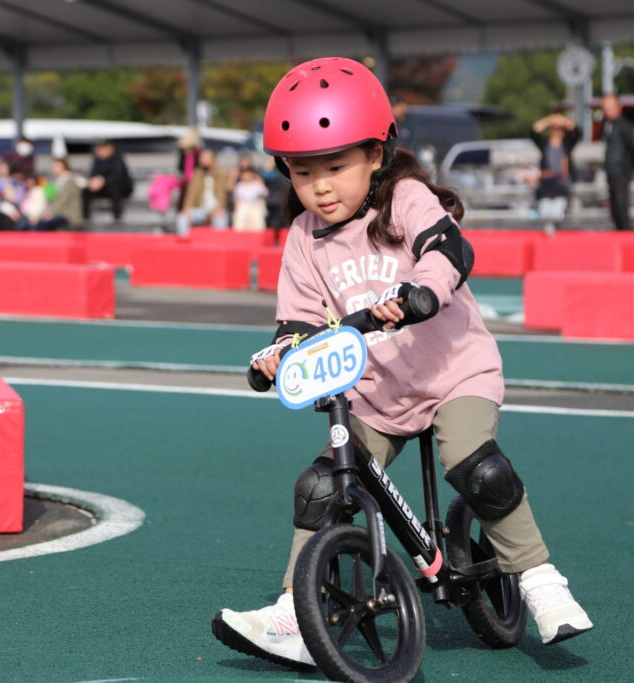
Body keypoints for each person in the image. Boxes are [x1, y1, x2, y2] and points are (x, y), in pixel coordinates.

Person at [213, 57, 593, 670]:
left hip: (454, 370)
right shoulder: (304, 237)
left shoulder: (405, 199)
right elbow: (298, 322)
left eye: (336, 167)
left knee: (475, 467)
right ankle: (295, 613)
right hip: (375, 390)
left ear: (376, 154)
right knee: (319, 486)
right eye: (303, 172)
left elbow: (446, 248)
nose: (321, 187)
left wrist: (423, 291)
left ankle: (539, 578)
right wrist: (277, 357)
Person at [530, 113, 581, 220]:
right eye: (554, 129)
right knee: (545, 217)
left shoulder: (566, 145)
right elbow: (533, 131)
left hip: (561, 187)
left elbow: (577, 132)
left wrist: (562, 120)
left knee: (560, 217)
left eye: (559, 129)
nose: (556, 132)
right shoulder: (545, 145)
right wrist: (549, 120)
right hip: (546, 187)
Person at [600, 93, 634, 231]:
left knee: (622, 206)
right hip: (611, 171)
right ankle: (619, 232)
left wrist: (629, 169)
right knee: (614, 208)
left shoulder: (623, 126)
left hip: (622, 172)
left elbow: (633, 150)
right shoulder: (607, 125)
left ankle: (626, 233)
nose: (607, 111)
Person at [176, 148, 229, 236]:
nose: (204, 160)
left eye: (207, 157)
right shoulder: (197, 173)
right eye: (202, 157)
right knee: (182, 218)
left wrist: (219, 207)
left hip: (216, 208)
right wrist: (187, 207)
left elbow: (222, 193)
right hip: (200, 209)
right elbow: (191, 192)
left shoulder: (221, 172)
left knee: (220, 219)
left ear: (213, 159)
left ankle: (218, 242)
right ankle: (184, 241)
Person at [83, 139, 133, 222]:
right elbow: (92, 174)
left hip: (122, 188)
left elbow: (117, 177)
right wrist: (93, 182)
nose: (99, 151)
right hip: (103, 187)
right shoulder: (97, 160)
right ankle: (85, 217)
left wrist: (102, 180)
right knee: (86, 190)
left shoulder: (117, 158)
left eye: (101, 149)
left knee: (115, 189)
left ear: (109, 148)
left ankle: (117, 217)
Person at [37, 158, 83, 230]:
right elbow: (51, 198)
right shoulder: (56, 181)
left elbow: (63, 200)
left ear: (62, 166)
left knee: (44, 225)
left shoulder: (70, 181)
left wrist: (50, 213)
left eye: (55, 166)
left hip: (68, 216)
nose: (53, 169)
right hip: (58, 214)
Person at [231, 166, 268, 231]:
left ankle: (259, 234)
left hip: (256, 206)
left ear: (252, 175)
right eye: (244, 175)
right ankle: (238, 233)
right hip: (243, 207)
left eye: (248, 174)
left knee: (258, 214)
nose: (246, 176)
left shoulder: (257, 184)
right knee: (240, 213)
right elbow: (236, 199)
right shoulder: (239, 186)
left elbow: (265, 194)